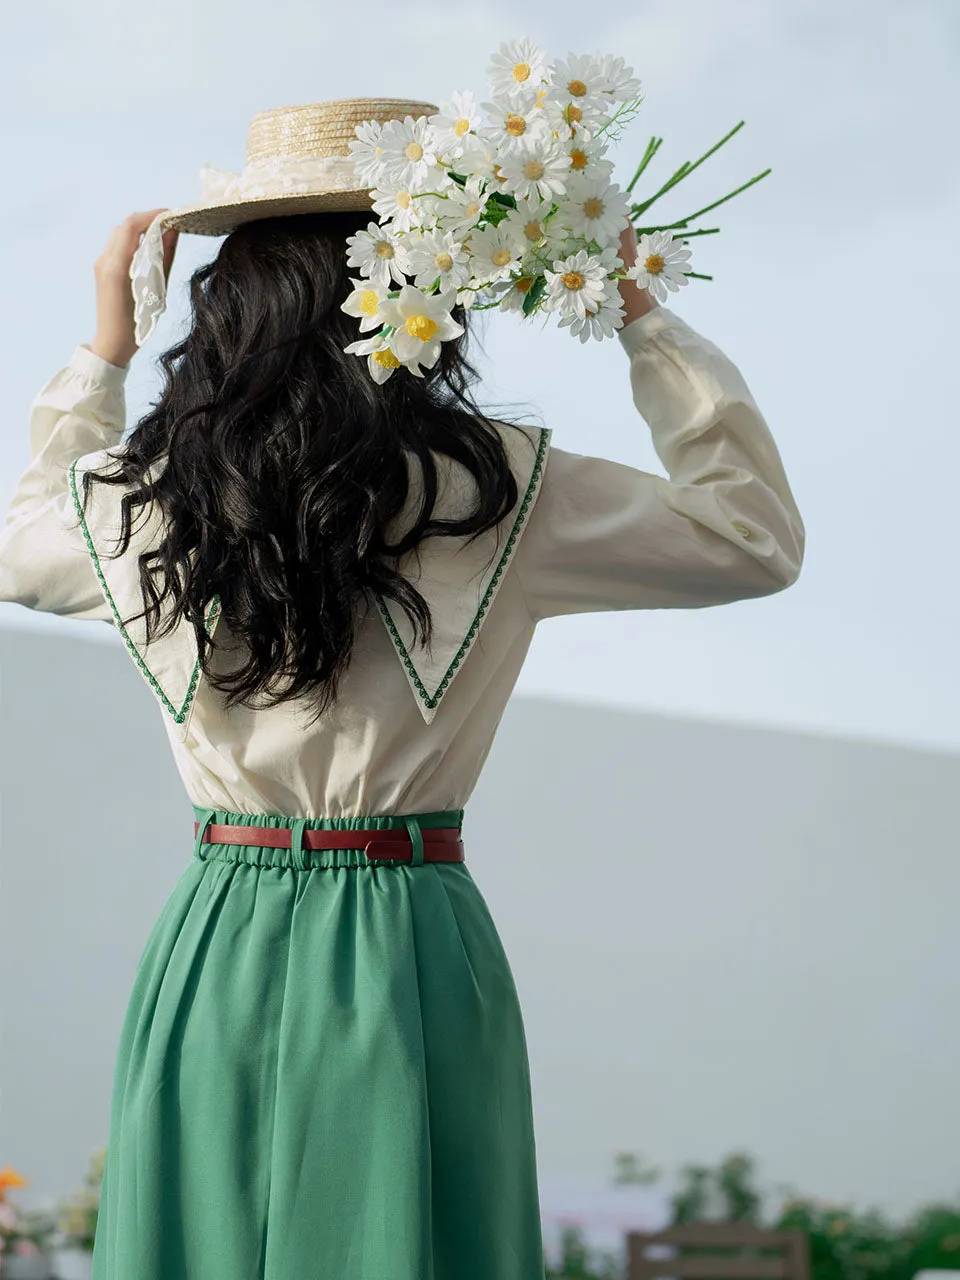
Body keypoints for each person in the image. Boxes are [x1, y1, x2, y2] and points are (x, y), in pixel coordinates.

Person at [0, 98, 805, 1280]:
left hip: (218, 925)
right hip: (411, 928)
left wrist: (105, 349)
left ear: (235, 297)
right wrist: (640, 310)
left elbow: (21, 538)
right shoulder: (507, 490)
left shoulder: (142, 497)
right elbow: (752, 537)